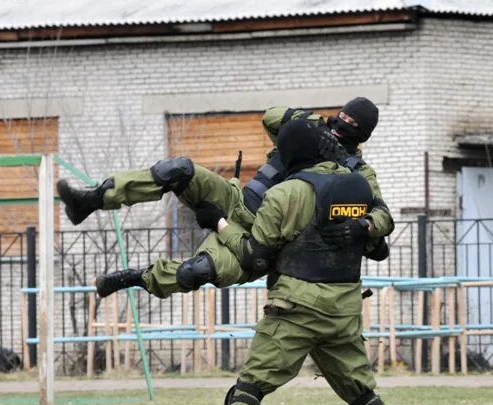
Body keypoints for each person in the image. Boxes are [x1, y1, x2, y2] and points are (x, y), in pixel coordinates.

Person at [202, 119, 435, 405]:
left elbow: (256, 257)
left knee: (248, 391)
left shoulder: (286, 193)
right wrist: (363, 227)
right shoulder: (358, 186)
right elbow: (382, 227)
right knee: (364, 396)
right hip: (343, 310)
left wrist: (220, 224)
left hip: (293, 308)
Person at [55, 98, 392, 298]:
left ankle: (136, 278)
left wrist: (363, 227)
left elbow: (383, 217)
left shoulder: (356, 172)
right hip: (238, 202)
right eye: (341, 117)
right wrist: (310, 121)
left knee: (196, 271)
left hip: (260, 241)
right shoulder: (307, 134)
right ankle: (93, 199)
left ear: (362, 135)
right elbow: (270, 116)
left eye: (351, 124)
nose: (340, 125)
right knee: (179, 169)